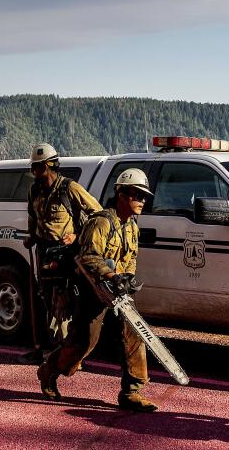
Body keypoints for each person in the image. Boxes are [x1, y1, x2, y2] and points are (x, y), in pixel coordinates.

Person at [37, 168, 157, 412]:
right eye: (137, 195)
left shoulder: (132, 226)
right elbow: (88, 257)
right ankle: (50, 369)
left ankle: (131, 391)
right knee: (82, 343)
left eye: (144, 197)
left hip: (118, 292)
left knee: (135, 335)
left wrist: (126, 280)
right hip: (94, 290)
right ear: (122, 194)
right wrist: (111, 275)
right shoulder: (102, 222)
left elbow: (131, 257)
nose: (142, 201)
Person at [23, 143, 101, 359]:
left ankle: (63, 354)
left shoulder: (70, 189)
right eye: (34, 168)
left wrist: (77, 236)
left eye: (39, 168)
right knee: (47, 300)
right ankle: (54, 349)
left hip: (65, 254)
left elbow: (98, 215)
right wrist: (31, 236)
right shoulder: (34, 191)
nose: (35, 172)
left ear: (50, 166)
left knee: (63, 303)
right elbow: (33, 216)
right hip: (44, 253)